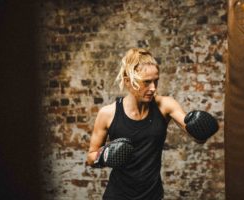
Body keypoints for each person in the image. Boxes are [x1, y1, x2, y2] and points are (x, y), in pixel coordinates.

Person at [86, 48, 218, 200]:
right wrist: (104, 156)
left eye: (156, 81)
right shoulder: (108, 114)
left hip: (152, 195)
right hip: (117, 195)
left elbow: (196, 135)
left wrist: (200, 131)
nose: (153, 88)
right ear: (128, 81)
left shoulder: (165, 105)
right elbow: (90, 158)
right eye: (146, 82)